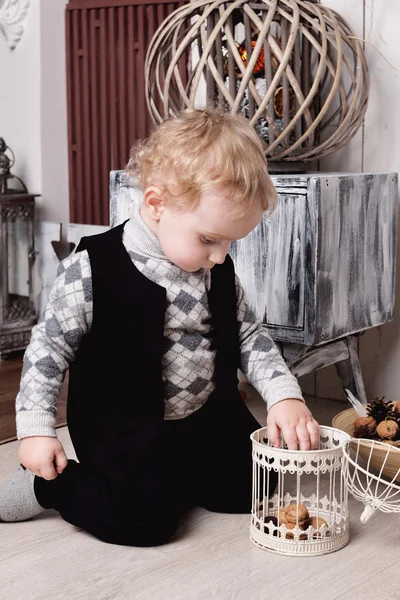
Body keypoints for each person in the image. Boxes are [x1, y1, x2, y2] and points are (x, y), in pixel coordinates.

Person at [0, 108, 319, 546]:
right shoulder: (92, 270)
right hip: (126, 426)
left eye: (231, 243)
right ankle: (50, 486)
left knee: (259, 486)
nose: (221, 256)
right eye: (209, 239)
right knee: (143, 523)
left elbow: (248, 335)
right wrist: (36, 428)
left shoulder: (215, 269)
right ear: (156, 204)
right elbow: (47, 351)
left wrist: (284, 395)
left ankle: (175, 476)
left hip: (206, 417)